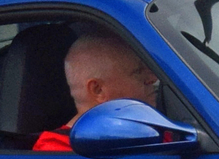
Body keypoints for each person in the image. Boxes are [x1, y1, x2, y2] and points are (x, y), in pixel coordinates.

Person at [32, 32, 165, 151]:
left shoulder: (156, 130)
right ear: (98, 90)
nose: (153, 79)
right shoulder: (58, 152)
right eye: (138, 72)